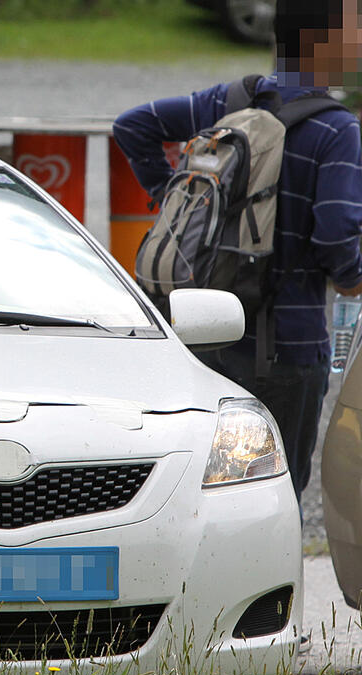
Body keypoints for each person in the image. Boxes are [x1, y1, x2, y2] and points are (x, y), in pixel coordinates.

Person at [112, 0, 362, 502]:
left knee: (205, 494)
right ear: (324, 41)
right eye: (356, 26)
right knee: (274, 496)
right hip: (288, 345)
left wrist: (178, 207)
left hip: (204, 332)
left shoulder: (227, 100)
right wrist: (352, 277)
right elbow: (337, 235)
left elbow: (133, 126)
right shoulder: (337, 130)